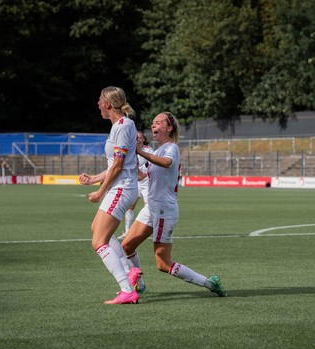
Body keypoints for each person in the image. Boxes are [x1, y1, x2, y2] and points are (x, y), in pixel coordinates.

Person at [121, 112, 226, 298]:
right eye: (153, 123)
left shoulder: (171, 148)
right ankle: (140, 285)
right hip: (151, 208)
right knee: (127, 247)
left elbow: (167, 163)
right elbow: (141, 173)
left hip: (164, 211)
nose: (154, 126)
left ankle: (209, 283)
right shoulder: (155, 151)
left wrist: (139, 151)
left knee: (163, 264)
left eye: (159, 123)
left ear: (169, 128)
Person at [79, 86, 142, 305]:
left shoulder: (124, 126)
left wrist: (100, 191)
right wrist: (94, 179)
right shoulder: (118, 126)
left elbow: (118, 166)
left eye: (99, 100)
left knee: (98, 241)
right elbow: (114, 165)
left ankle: (127, 289)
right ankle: (129, 272)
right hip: (119, 186)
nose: (97, 104)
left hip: (122, 188)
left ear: (107, 103)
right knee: (97, 230)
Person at [118, 130, 153, 239]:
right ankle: (128, 232)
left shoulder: (148, 150)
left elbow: (139, 164)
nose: (137, 139)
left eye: (140, 138)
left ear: (143, 139)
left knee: (150, 206)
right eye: (135, 137)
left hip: (147, 182)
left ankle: (149, 229)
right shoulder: (130, 151)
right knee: (130, 207)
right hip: (135, 182)